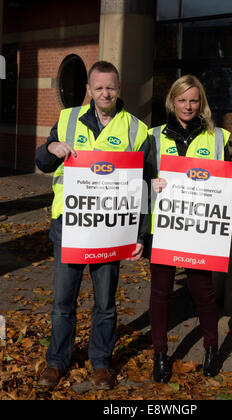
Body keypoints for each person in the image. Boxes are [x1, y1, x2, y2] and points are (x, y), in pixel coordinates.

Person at [35, 61, 149, 389]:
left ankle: (100, 363)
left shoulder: (135, 129)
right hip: (70, 227)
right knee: (63, 302)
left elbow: (142, 185)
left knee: (105, 303)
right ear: (88, 89)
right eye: (98, 87)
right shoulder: (67, 119)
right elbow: (42, 163)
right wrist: (50, 148)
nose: (104, 93)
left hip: (111, 231)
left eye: (110, 87)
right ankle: (56, 362)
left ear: (119, 88)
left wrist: (139, 233)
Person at [148, 74, 232, 382]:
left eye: (193, 100)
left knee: (202, 291)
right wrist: (152, 185)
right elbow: (138, 182)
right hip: (165, 227)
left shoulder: (218, 137)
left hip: (199, 231)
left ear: (200, 102)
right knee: (160, 292)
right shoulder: (153, 137)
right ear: (172, 101)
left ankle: (211, 349)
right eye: (182, 100)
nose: (188, 106)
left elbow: (229, 190)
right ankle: (160, 355)